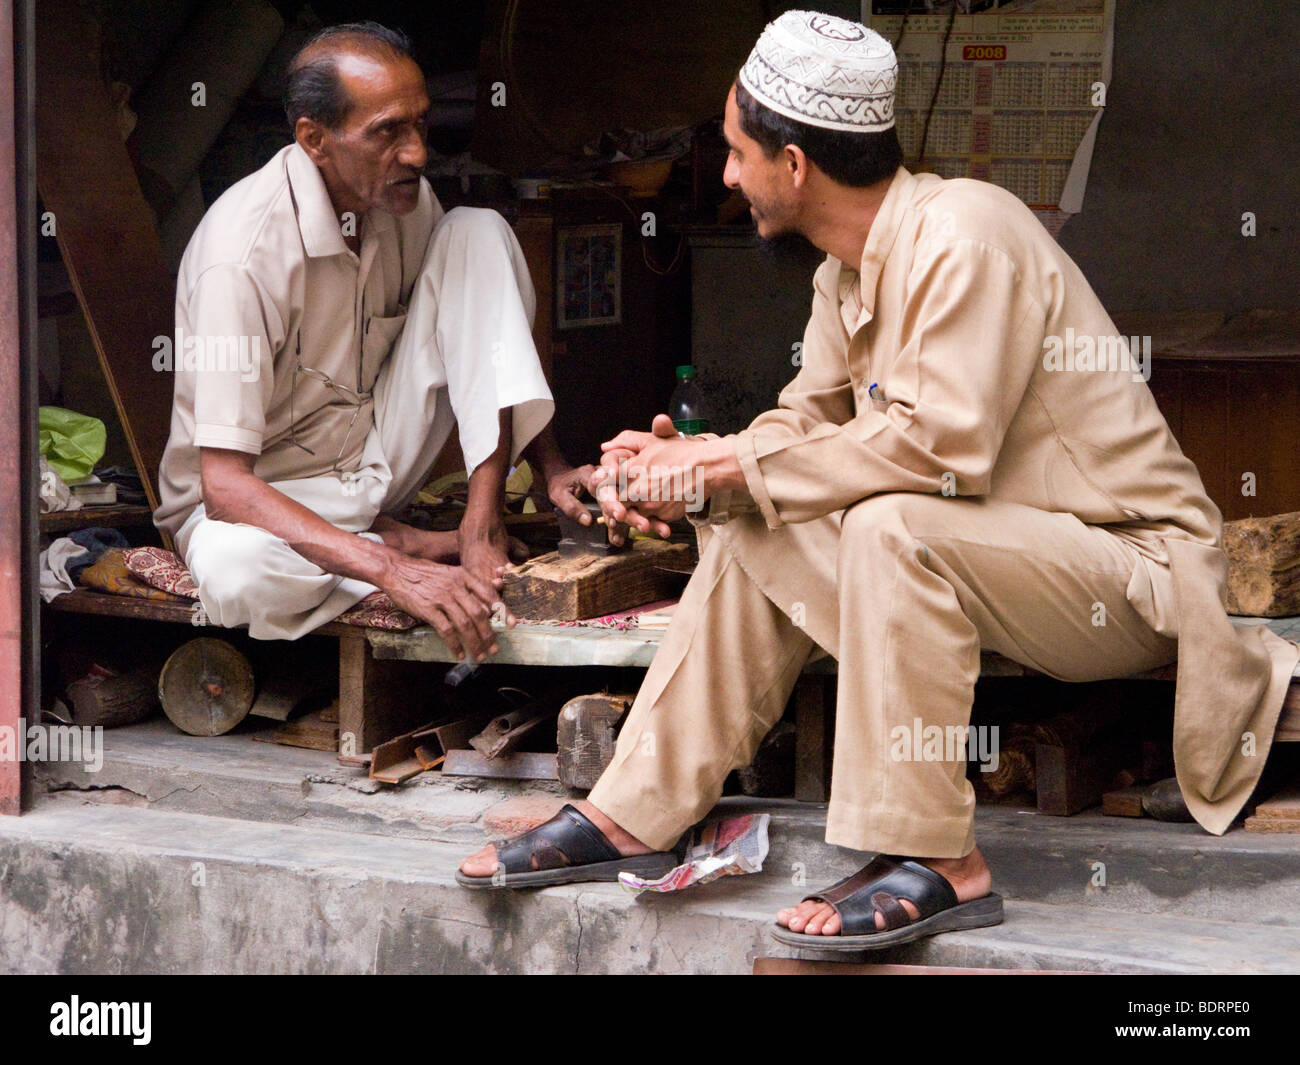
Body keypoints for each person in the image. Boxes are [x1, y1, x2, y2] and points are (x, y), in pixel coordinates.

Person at [458, 11, 1299, 950]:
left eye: (736, 155)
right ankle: (636, 814)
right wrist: (686, 473)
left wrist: (725, 462)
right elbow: (802, 427)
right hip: (996, 560)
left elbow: (938, 453)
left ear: (795, 164)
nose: (727, 178)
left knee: (886, 522)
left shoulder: (967, 233)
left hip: (1134, 573)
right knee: (751, 514)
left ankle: (940, 859)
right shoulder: (845, 273)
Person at [153, 22, 597, 656]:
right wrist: (391, 569)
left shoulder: (403, 202)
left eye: (420, 125)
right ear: (314, 140)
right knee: (237, 575)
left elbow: (485, 335)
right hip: (260, 508)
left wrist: (549, 467)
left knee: (478, 232)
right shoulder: (242, 256)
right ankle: (391, 548)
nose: (416, 153)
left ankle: (471, 526)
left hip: (372, 464)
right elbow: (225, 486)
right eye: (388, 132)